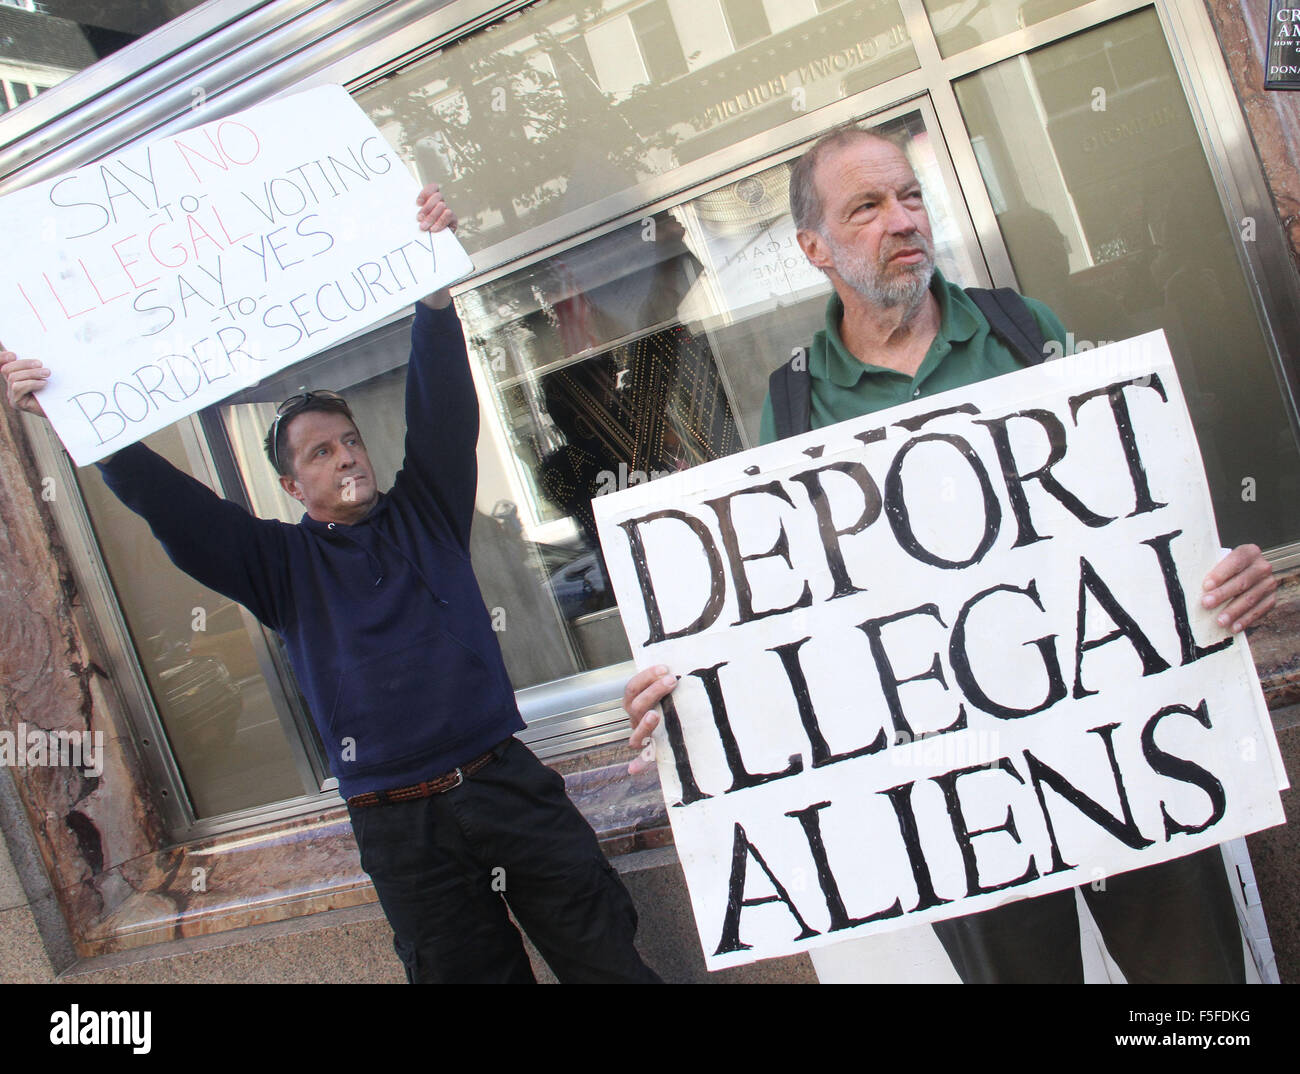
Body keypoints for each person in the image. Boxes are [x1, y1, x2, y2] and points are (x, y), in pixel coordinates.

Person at [622, 126, 1278, 983]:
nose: (903, 220)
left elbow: (1135, 504)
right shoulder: (796, 404)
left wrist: (1217, 572)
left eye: (910, 196)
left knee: (1196, 999)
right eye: (867, 207)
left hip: (1121, 746)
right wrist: (691, 696)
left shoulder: (1022, 330)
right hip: (957, 796)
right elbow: (785, 621)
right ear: (814, 247)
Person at [4, 182, 659, 986]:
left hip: (506, 789)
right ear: (290, 487)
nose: (345, 456)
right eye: (318, 452)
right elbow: (173, 505)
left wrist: (432, 293)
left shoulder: (427, 512)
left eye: (348, 441)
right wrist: (80, 417)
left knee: (609, 965)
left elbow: (443, 408)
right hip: (401, 831)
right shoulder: (278, 566)